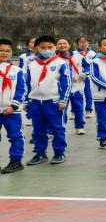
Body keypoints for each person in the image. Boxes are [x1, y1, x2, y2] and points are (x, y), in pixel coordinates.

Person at [24, 35, 71, 165]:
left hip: (53, 101)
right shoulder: (32, 64)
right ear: (37, 48)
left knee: (57, 128)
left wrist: (63, 100)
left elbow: (67, 83)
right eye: (43, 47)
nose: (47, 50)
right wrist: (26, 101)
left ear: (55, 48)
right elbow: (28, 83)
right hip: (35, 102)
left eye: (50, 47)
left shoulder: (61, 63)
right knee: (38, 129)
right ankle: (40, 153)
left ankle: (59, 153)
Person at [0, 38, 27, 174]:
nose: (4, 53)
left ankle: (16, 161)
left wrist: (14, 106)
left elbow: (22, 89)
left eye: (8, 51)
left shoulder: (16, 70)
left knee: (16, 136)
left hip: (11, 110)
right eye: (1, 50)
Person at [56, 37, 88, 135]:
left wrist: (83, 74)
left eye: (65, 43)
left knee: (79, 107)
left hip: (77, 87)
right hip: (63, 88)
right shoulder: (55, 59)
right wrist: (69, 77)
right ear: (56, 46)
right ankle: (61, 127)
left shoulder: (78, 56)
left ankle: (80, 126)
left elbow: (87, 66)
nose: (62, 45)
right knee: (62, 109)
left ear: (69, 45)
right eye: (60, 44)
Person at [75, 36, 96, 118]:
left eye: (85, 42)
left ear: (88, 43)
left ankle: (88, 110)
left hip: (88, 77)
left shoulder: (93, 53)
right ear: (78, 43)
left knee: (88, 94)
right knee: (76, 94)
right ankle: (74, 111)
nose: (83, 44)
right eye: (81, 42)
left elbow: (93, 65)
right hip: (77, 77)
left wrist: (86, 73)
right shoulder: (74, 53)